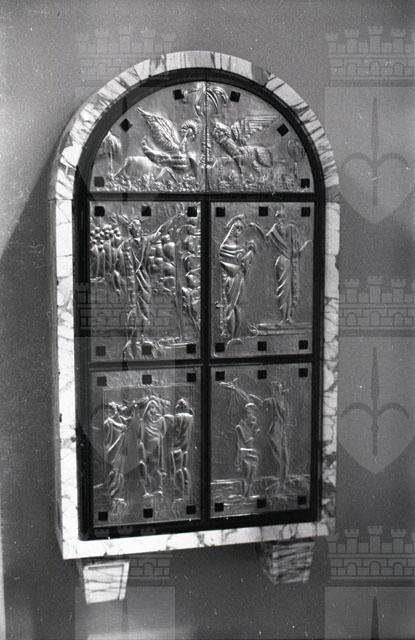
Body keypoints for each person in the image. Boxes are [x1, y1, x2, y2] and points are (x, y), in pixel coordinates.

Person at [113, 217, 175, 359]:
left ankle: (141, 338)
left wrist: (172, 219)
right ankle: (130, 344)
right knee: (132, 311)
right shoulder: (124, 246)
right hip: (131, 282)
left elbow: (160, 232)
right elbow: (118, 267)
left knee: (145, 309)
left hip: (144, 280)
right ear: (132, 230)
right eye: (137, 227)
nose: (140, 229)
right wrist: (118, 286)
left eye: (140, 227)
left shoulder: (146, 241)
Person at [265, 206, 311, 324]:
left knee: (289, 290)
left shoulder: (290, 230)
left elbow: (295, 253)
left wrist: (304, 246)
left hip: (287, 262)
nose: (281, 220)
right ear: (276, 218)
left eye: (283, 217)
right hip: (282, 262)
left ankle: (287, 317)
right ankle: (283, 317)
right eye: (278, 217)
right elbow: (266, 242)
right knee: (284, 289)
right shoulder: (273, 232)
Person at [219, 214, 256, 343]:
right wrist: (242, 260)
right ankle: (231, 335)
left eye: (240, 230)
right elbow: (225, 264)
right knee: (232, 306)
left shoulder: (239, 247)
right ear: (232, 229)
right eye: (236, 228)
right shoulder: (225, 247)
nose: (238, 232)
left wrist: (249, 254)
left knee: (240, 306)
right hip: (231, 279)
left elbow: (243, 264)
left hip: (239, 277)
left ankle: (238, 334)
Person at [262, 381, 291, 486]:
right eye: (276, 389)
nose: (278, 390)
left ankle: (283, 476)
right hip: (276, 430)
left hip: (281, 430)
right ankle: (281, 476)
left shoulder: (283, 402)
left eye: (279, 388)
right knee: (278, 451)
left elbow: (286, 416)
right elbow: (265, 402)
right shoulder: (273, 400)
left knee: (283, 452)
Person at [170, 398, 194, 499]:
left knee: (178, 469)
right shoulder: (191, 417)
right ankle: (187, 490)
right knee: (184, 468)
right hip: (186, 446)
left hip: (177, 445)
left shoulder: (177, 417)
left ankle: (180, 492)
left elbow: (176, 431)